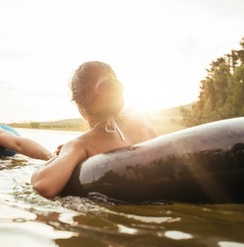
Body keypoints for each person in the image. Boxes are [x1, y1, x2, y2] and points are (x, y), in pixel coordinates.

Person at [31, 61, 158, 198]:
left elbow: (42, 186)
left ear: (79, 104)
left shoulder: (80, 145)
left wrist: (60, 156)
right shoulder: (137, 114)